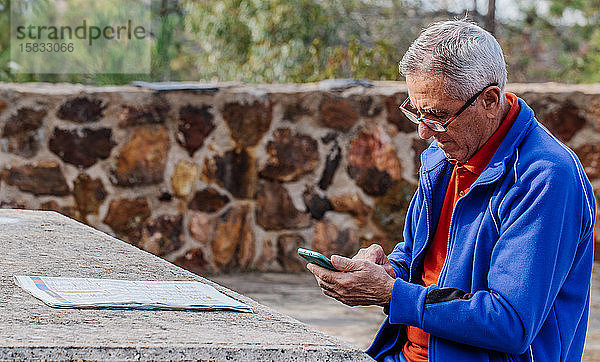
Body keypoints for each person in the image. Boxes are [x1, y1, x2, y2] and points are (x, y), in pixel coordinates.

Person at [307, 19, 596, 361]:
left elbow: (509, 323)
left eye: (438, 116)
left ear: (490, 100)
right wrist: (390, 269)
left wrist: (391, 294)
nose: (424, 133)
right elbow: (421, 258)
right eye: (416, 112)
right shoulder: (445, 155)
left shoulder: (545, 177)